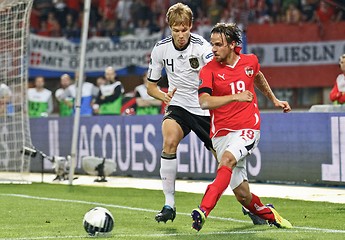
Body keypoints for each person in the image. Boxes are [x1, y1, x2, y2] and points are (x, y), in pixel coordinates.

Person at [191, 22, 292, 231]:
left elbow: (257, 76)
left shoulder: (250, 61)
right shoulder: (208, 70)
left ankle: (203, 210)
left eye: (218, 44)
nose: (213, 49)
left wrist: (273, 99)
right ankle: (269, 213)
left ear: (232, 44)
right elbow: (204, 102)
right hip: (220, 134)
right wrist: (235, 97)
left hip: (248, 128)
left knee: (226, 161)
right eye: (212, 44)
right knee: (243, 195)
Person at [146, 2, 214, 223]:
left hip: (204, 108)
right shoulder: (161, 49)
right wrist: (162, 96)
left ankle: (249, 204)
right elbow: (151, 86)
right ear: (170, 28)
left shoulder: (202, 47)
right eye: (176, 30)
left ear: (191, 26)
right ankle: (169, 204)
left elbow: (216, 72)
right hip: (178, 106)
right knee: (169, 141)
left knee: (225, 160)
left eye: (184, 29)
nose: (181, 34)